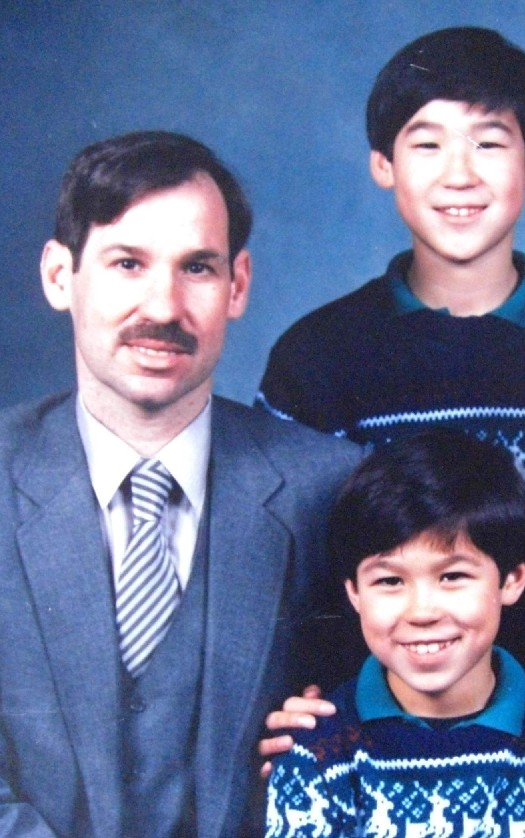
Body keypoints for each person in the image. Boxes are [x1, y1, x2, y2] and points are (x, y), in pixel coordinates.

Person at [0, 131, 361, 836]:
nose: (163, 307)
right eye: (127, 263)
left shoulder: (330, 489)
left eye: (197, 267)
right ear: (58, 276)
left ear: (239, 285)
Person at [256, 26, 525, 517]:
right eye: (427, 146)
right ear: (383, 164)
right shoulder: (316, 358)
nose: (459, 176)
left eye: (488, 144)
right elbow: (287, 555)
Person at [265, 430, 525, 837]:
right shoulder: (318, 750)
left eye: (452, 576)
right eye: (390, 581)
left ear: (512, 579)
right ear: (353, 592)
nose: (422, 612)